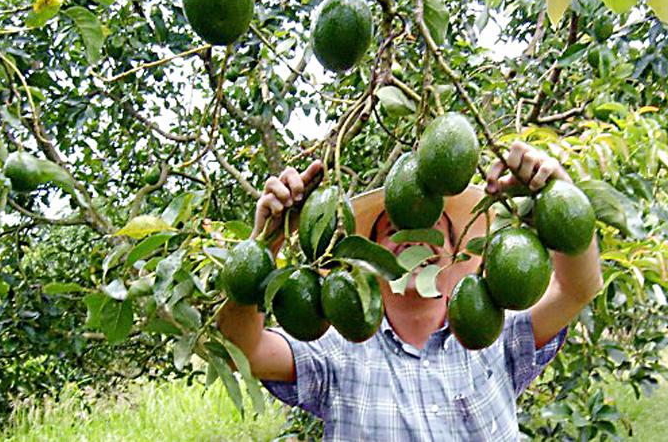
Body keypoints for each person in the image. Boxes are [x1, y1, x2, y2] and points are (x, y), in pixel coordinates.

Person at [218, 141, 603, 441]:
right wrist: (267, 241)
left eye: (432, 227)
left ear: (456, 256)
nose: (414, 237)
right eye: (394, 229)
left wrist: (557, 191)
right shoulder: (337, 348)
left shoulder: (494, 332)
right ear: (365, 260)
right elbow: (241, 349)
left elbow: (577, 288)